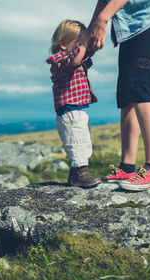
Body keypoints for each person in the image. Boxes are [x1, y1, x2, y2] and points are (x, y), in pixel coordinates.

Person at [88, 0, 150, 191]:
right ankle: (127, 167)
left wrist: (103, 19)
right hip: (130, 26)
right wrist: (90, 32)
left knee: (140, 85)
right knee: (127, 93)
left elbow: (105, 10)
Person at [46, 19, 101, 187]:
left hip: (77, 110)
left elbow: (84, 56)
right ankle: (79, 174)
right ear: (63, 44)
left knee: (83, 141)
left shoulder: (72, 58)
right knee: (76, 142)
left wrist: (92, 40)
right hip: (69, 113)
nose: (82, 47)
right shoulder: (59, 61)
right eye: (79, 43)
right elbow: (75, 61)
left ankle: (74, 175)